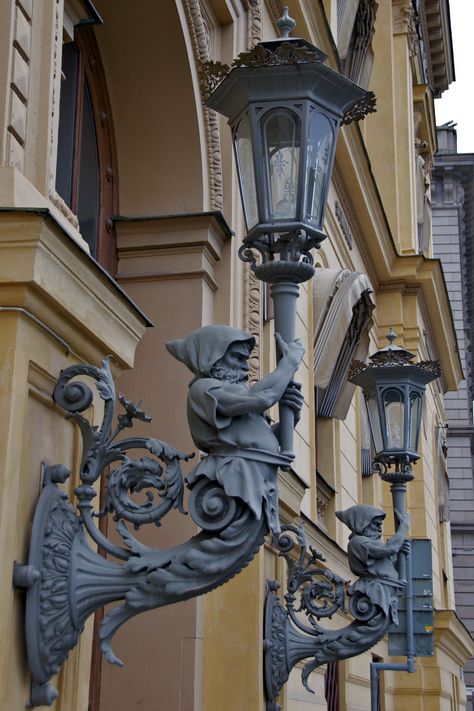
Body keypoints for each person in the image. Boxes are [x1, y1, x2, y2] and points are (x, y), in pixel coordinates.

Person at [166, 325, 304, 535]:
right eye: (238, 358)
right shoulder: (203, 389)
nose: (246, 367)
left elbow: (256, 436)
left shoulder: (237, 395)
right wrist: (290, 362)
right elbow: (263, 398)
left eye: (246, 360)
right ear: (212, 358)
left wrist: (290, 420)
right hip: (235, 476)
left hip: (256, 477)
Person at [336, 504, 410, 623]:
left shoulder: (371, 542)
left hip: (385, 591)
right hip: (375, 590)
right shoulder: (358, 542)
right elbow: (392, 548)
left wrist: (402, 557)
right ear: (362, 523)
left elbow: (386, 565)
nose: (380, 529)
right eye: (376, 524)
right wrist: (404, 528)